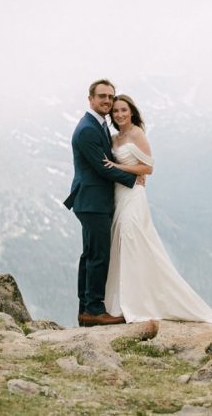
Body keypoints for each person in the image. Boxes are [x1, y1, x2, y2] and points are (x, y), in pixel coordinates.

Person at [102, 95, 212, 331]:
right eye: (115, 111)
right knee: (121, 242)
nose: (120, 114)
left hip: (134, 194)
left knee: (131, 237)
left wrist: (118, 166)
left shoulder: (137, 134)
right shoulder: (114, 138)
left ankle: (138, 302)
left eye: (124, 110)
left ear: (131, 111)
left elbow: (148, 168)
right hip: (119, 194)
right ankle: (122, 302)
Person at [63, 79, 141, 327]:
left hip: (92, 200)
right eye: (102, 96)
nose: (107, 101)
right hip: (92, 201)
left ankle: (86, 309)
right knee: (99, 256)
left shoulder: (98, 124)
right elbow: (102, 167)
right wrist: (134, 179)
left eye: (110, 96)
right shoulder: (87, 129)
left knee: (90, 255)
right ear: (90, 99)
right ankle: (95, 310)